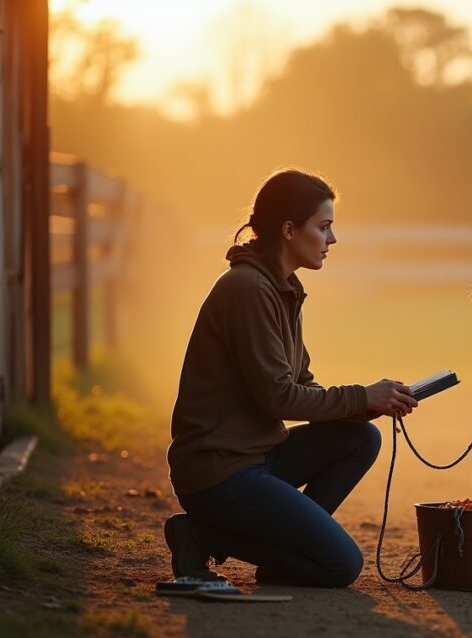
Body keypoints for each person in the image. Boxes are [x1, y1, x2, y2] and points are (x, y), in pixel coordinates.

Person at [165, 168, 418, 588]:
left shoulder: (283, 288)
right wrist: (360, 396)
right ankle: (201, 534)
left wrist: (370, 405)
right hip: (220, 470)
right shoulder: (248, 290)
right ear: (288, 229)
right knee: (341, 566)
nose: (332, 240)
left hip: (258, 456)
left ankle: (288, 550)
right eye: (323, 227)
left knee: (360, 439)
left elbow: (302, 384)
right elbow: (278, 398)